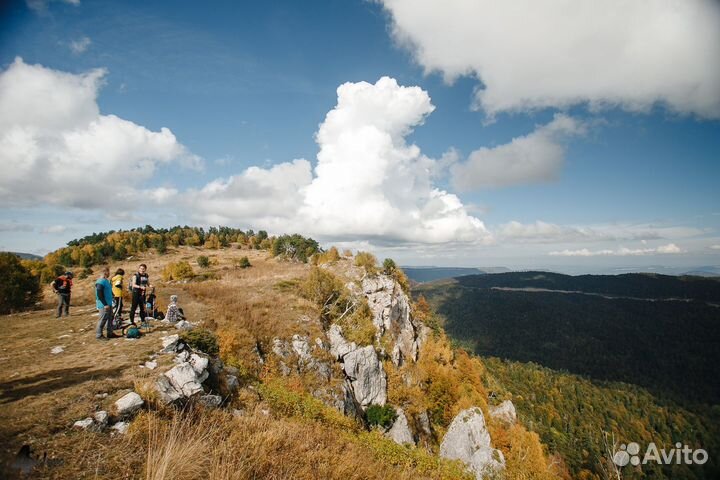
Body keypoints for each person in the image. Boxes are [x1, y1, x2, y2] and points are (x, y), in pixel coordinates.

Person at [95, 267, 117, 340]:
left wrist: (113, 295)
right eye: (108, 272)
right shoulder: (100, 281)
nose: (109, 273)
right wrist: (105, 304)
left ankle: (110, 333)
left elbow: (108, 290)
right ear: (105, 272)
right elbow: (99, 294)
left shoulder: (106, 281)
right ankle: (99, 335)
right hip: (103, 304)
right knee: (103, 319)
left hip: (109, 303)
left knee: (110, 318)